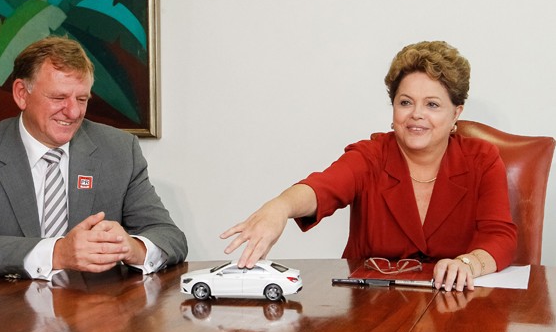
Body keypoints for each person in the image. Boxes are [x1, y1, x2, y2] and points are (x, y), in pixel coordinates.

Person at [221, 40, 517, 292]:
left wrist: (467, 264)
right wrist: (280, 207)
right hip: (371, 305)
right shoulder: (371, 155)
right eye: (405, 102)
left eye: (432, 105)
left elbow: (500, 236)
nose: (416, 115)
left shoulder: (481, 158)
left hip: (455, 302)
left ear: (456, 114)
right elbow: (323, 187)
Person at [0, 36, 187, 278]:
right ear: (21, 94)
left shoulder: (119, 150)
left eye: (82, 99)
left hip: (97, 311)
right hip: (7, 311)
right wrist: (57, 253)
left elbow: (169, 236)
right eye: (58, 98)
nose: (73, 112)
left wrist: (133, 248)